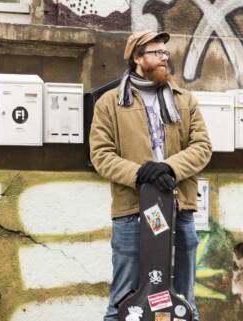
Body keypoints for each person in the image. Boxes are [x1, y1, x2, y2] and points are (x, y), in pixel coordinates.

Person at [88, 30, 212, 321]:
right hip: (132, 211)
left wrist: (169, 168)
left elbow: (203, 147)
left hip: (179, 209)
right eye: (156, 52)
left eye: (165, 53)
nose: (163, 58)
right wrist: (141, 173)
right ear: (137, 58)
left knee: (184, 300)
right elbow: (101, 155)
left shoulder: (184, 101)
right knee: (123, 301)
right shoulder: (110, 103)